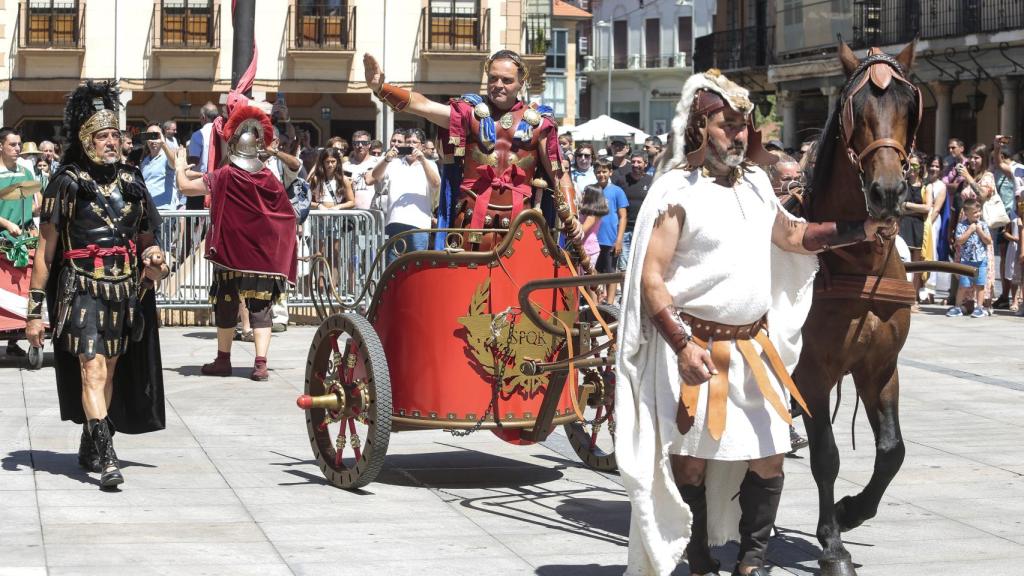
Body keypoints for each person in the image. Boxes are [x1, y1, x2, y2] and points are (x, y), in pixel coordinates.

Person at [614, 69, 891, 576]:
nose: (739, 134)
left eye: (743, 125)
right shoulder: (677, 192)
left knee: (769, 456)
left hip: (753, 353)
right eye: (728, 124)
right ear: (700, 127)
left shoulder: (758, 185)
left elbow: (794, 236)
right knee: (690, 463)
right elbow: (652, 278)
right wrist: (681, 345)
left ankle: (753, 562)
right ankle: (699, 558)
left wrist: (861, 229)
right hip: (695, 353)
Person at [25, 81, 168, 489]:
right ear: (86, 140)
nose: (111, 143)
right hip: (80, 289)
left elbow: (147, 238)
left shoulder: (132, 180)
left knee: (108, 373)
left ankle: (92, 440)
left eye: (115, 136)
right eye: (102, 136)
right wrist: (33, 312)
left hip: (124, 290)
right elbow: (45, 253)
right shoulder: (67, 183)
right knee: (91, 368)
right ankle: (107, 458)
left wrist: (154, 256)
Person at [363, 49, 580, 252]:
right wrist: (382, 88)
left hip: (521, 223)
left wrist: (572, 217)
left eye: (506, 80)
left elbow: (559, 175)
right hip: (469, 222)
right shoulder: (468, 113)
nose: (498, 85)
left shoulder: (538, 123)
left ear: (521, 83)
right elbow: (425, 106)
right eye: (493, 78)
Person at [175, 104, 297, 381]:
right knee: (260, 308)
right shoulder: (268, 177)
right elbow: (285, 215)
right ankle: (260, 364)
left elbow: (185, 187)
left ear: (232, 147)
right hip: (261, 258)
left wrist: (179, 166)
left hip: (230, 255)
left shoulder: (226, 175)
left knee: (226, 304)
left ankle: (224, 359)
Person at [366, 128, 439, 264]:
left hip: (419, 225)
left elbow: (436, 183)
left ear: (422, 146)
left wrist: (423, 160)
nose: (410, 145)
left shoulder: (430, 164)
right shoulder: (393, 163)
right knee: (393, 267)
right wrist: (386, 159)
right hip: (394, 222)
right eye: (408, 142)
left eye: (414, 142)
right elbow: (375, 176)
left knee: (416, 267)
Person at [0, 127, 41, 358]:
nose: (18, 149)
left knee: (22, 288)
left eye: (19, 144)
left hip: (23, 238)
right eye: (13, 144)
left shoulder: (25, 172)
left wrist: (36, 212)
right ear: (0, 146)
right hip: (2, 237)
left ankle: (16, 338)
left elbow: (36, 203)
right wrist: (6, 223)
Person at [947, 198, 991, 318]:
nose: (978, 214)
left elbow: (988, 241)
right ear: (966, 214)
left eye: (979, 211)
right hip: (966, 261)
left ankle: (979, 308)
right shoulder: (962, 225)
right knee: (963, 286)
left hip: (981, 261)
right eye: (975, 212)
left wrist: (980, 231)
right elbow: (959, 241)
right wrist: (970, 230)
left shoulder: (983, 225)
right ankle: (957, 307)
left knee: (980, 285)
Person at [900, 154, 931, 310]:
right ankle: (902, 297)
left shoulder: (926, 186)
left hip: (919, 227)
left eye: (915, 165)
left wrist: (907, 205)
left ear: (921, 167)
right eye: (909, 165)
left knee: (917, 265)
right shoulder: (902, 184)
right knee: (902, 263)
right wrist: (915, 208)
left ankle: (913, 299)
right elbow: (898, 206)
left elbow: (927, 207)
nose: (912, 168)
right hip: (903, 225)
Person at [593, 159, 627, 303]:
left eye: (604, 171)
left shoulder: (617, 191)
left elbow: (623, 216)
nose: (601, 174)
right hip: (593, 239)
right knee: (593, 273)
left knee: (610, 273)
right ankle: (595, 303)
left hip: (610, 239)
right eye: (598, 172)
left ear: (610, 172)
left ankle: (610, 303)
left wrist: (619, 240)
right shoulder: (591, 190)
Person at [619, 153, 651, 272]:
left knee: (641, 265)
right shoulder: (622, 180)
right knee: (624, 267)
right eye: (633, 162)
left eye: (639, 162)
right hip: (625, 229)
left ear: (645, 164)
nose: (635, 164)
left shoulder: (651, 181)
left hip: (643, 229)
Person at [924, 154, 949, 301]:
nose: (934, 168)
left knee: (931, 252)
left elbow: (937, 209)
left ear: (941, 169)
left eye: (937, 166)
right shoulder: (924, 182)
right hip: (920, 220)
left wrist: (927, 223)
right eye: (932, 165)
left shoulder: (941, 186)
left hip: (932, 221)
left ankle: (930, 291)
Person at [186, 102, 220, 209]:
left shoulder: (197, 135)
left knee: (194, 218)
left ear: (203, 117)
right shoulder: (222, 133)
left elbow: (193, 162)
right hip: (219, 183)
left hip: (201, 183)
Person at [139, 123, 179, 211]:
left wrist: (163, 143)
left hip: (164, 209)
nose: (153, 140)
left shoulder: (167, 157)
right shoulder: (145, 161)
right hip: (148, 209)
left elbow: (174, 164)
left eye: (156, 135)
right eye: (149, 136)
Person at [342, 130, 379, 210]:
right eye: (356, 143)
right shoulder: (345, 166)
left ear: (369, 145)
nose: (360, 145)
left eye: (364, 143)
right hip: (352, 212)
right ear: (353, 145)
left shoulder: (378, 163)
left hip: (374, 211)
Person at [309, 147, 355, 211]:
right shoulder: (316, 179)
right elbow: (306, 201)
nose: (330, 165)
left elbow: (352, 202)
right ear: (322, 162)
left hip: (336, 215)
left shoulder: (344, 180)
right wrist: (318, 205)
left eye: (333, 161)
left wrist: (339, 206)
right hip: (319, 215)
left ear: (337, 162)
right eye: (327, 162)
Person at [577, 184, 607, 272]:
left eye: (584, 193)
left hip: (588, 249)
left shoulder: (593, 215)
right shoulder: (586, 212)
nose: (582, 195)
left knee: (584, 278)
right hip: (583, 247)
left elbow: (582, 230)